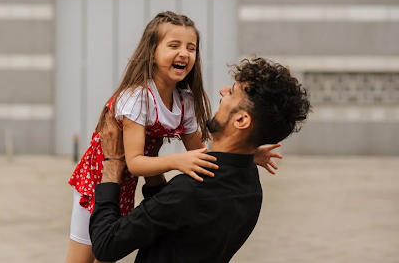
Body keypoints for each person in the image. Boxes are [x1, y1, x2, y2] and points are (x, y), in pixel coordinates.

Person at [65, 12, 281, 263]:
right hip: (99, 177)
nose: (185, 53)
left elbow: (203, 155)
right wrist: (177, 161)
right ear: (151, 53)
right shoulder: (138, 97)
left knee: (109, 250)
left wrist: (247, 153)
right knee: (82, 258)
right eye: (174, 45)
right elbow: (134, 162)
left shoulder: (185, 101)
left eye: (191, 47)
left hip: (126, 181)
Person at [90, 56, 312, 263]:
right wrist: (151, 161)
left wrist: (112, 162)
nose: (222, 91)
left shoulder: (190, 189)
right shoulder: (252, 188)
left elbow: (106, 245)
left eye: (232, 92)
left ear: (242, 120)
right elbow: (174, 223)